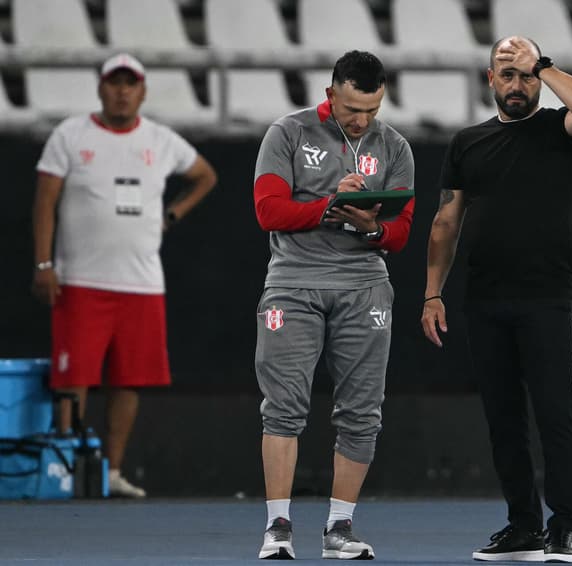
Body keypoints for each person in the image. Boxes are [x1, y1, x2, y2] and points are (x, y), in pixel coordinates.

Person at [421, 36, 572, 563]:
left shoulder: (560, 130)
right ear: (490, 80)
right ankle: (523, 527)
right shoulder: (467, 142)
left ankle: (564, 528)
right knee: (504, 421)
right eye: (508, 74)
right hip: (484, 298)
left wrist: (543, 65)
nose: (517, 85)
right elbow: (445, 222)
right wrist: (432, 292)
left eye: (525, 76)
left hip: (545, 295)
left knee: (555, 415)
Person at [31, 53, 217, 498]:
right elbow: (44, 203)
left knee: (130, 378)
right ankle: (66, 472)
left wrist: (171, 215)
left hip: (141, 281)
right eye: (113, 83)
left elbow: (205, 176)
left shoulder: (161, 139)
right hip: (80, 280)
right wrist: (44, 264)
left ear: (143, 91)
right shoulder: (70, 136)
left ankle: (111, 471)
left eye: (129, 84)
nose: (121, 91)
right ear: (100, 88)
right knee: (73, 377)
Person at [253, 50, 415, 560]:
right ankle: (277, 527)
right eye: (351, 109)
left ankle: (338, 529)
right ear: (330, 94)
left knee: (363, 412)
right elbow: (267, 210)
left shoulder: (394, 146)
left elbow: (402, 232)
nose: (361, 120)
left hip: (365, 285)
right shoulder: (288, 132)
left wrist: (372, 225)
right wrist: (331, 204)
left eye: (371, 109)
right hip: (294, 283)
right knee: (283, 407)